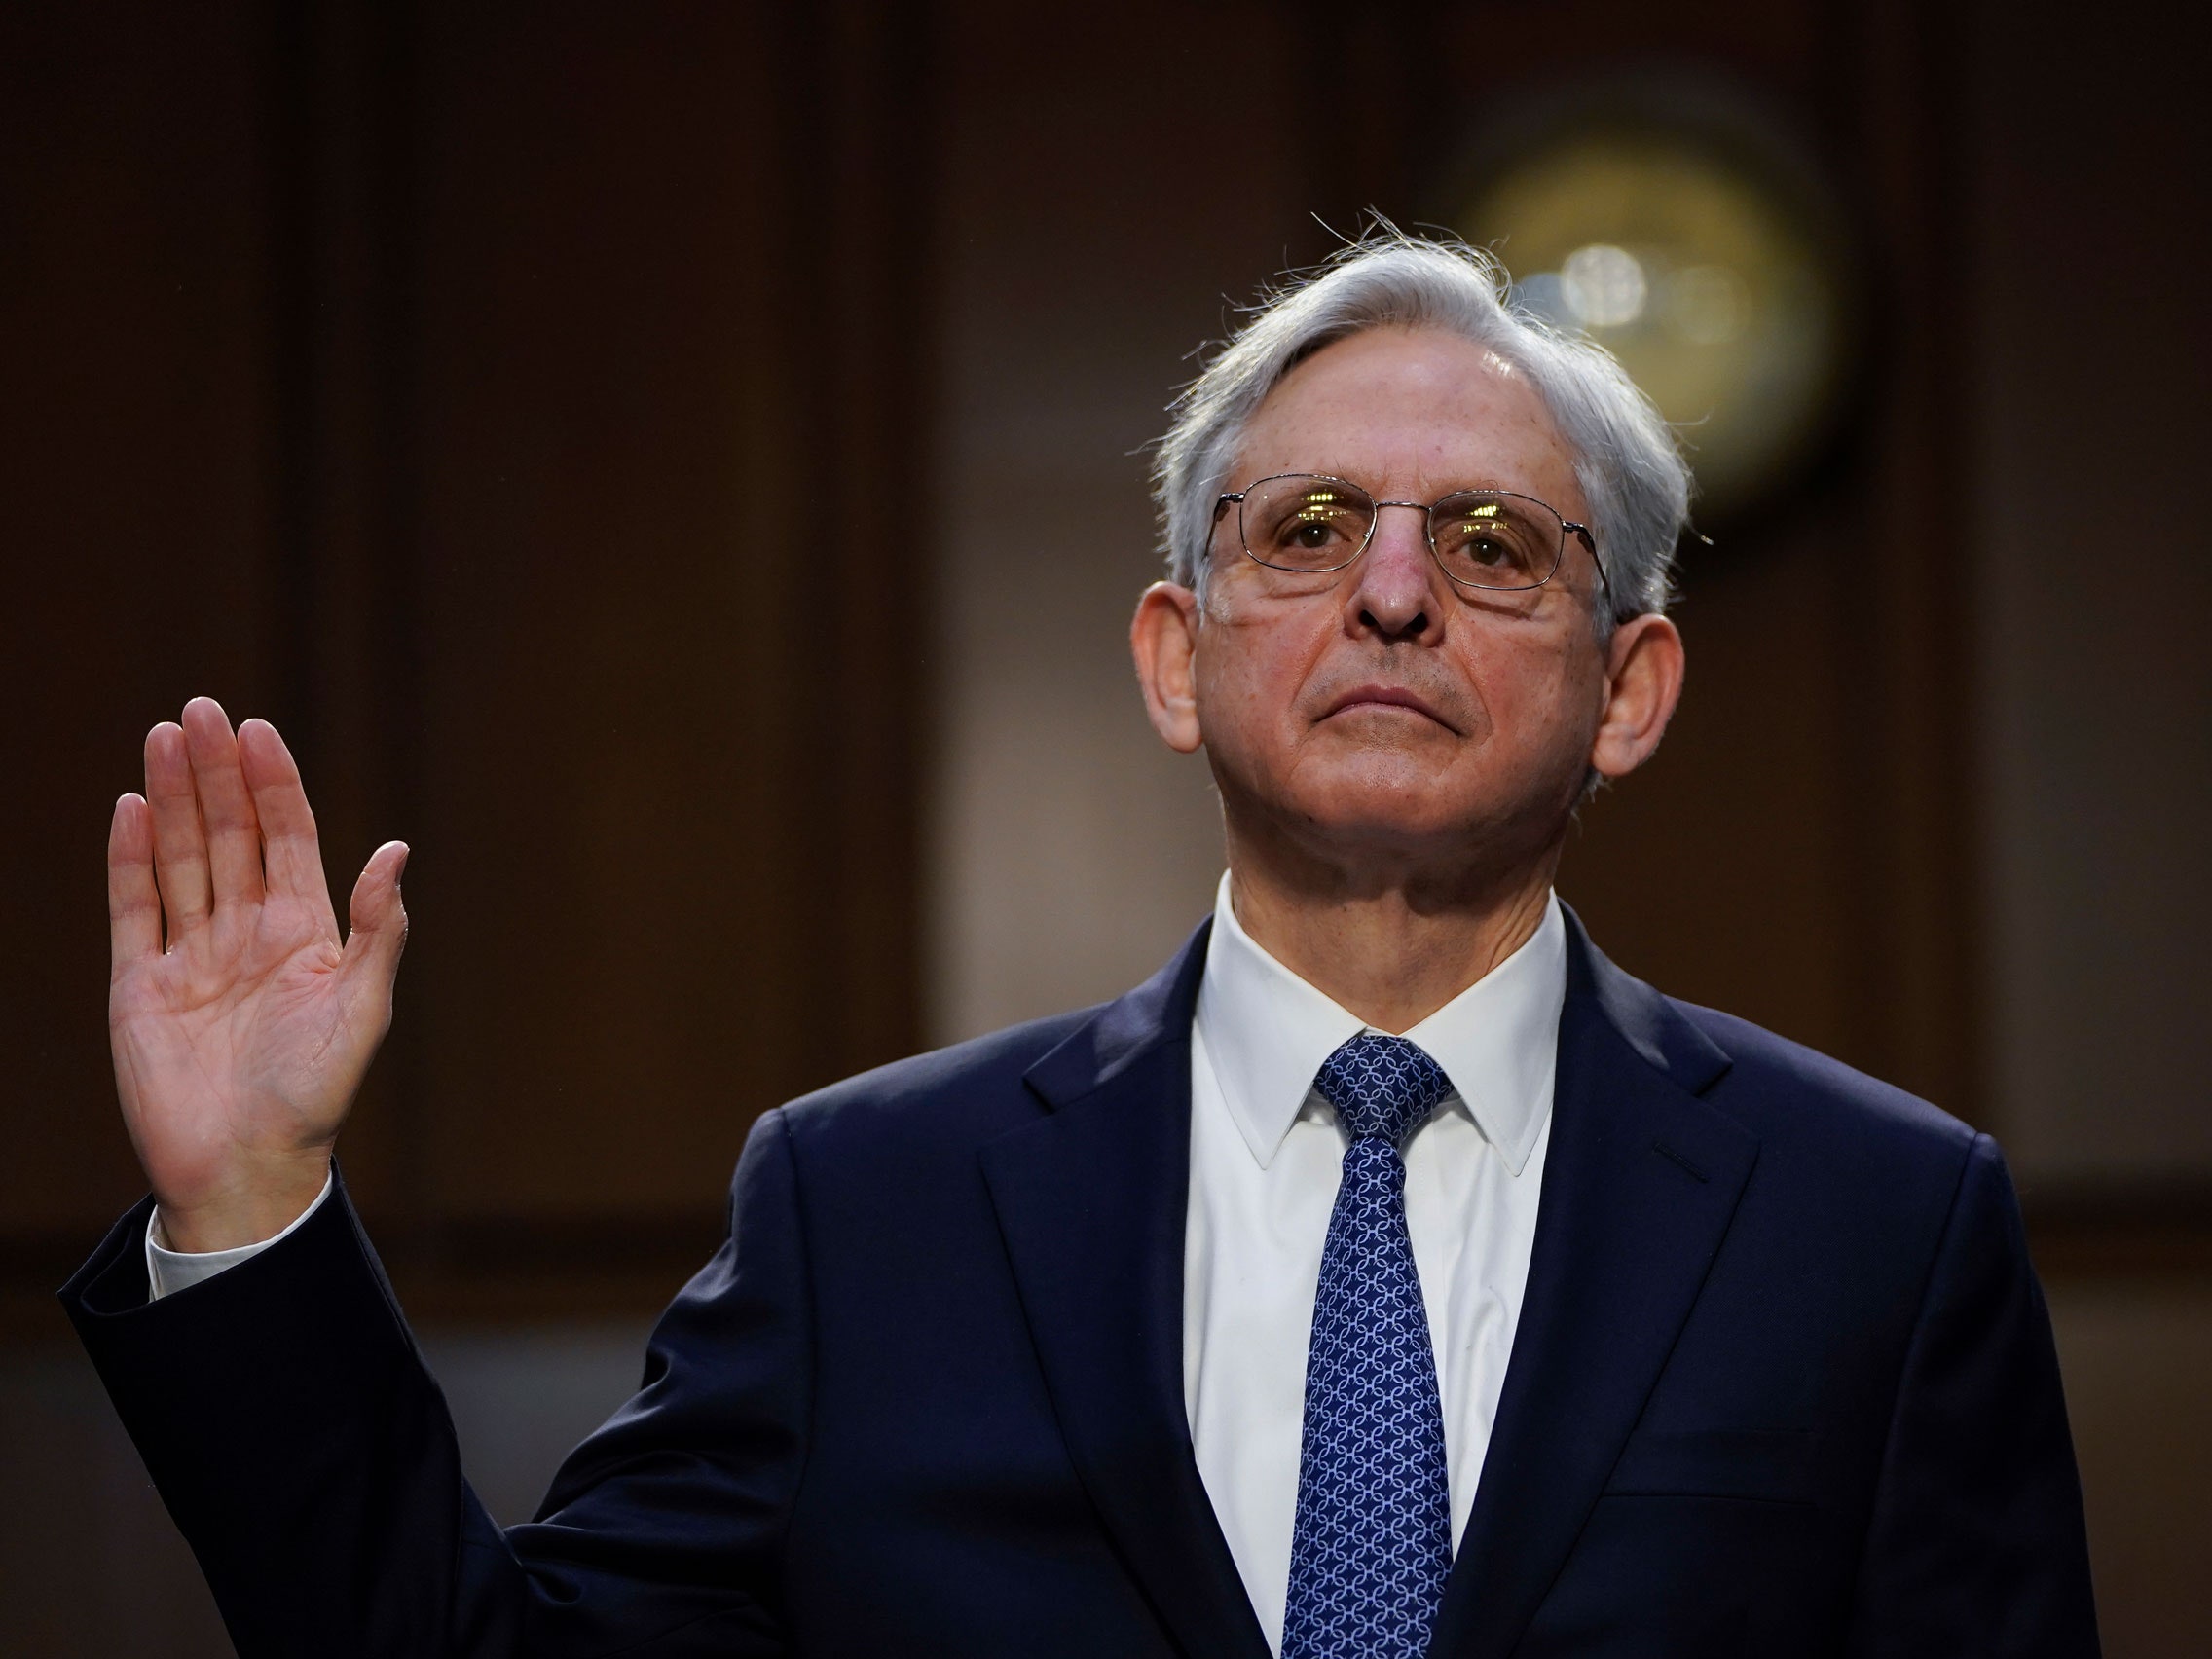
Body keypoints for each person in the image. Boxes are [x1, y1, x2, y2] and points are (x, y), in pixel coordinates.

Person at [64, 235, 2098, 1658]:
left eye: (1488, 545)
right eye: (1302, 529)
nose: (1389, 592)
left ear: (1628, 688)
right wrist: (250, 1212)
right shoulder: (873, 1210)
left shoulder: (1875, 1225)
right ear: (1171, 659)